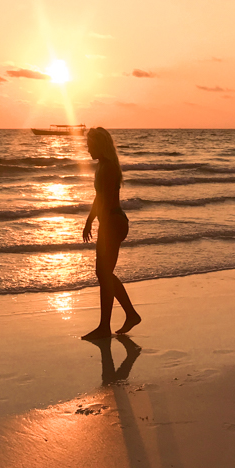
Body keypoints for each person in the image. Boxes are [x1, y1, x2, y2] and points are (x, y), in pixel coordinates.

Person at [82, 126, 141, 339]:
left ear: (100, 145)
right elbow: (98, 199)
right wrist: (89, 221)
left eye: (90, 145)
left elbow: (105, 202)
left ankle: (107, 326)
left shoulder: (108, 168)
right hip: (109, 222)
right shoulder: (103, 166)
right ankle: (128, 316)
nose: (87, 149)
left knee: (104, 273)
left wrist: (102, 229)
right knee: (103, 274)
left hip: (113, 223)